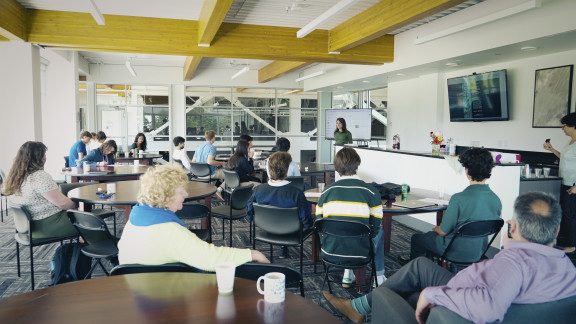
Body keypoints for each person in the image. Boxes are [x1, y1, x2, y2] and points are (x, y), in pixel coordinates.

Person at [323, 192, 576, 324]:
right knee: (419, 267)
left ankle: (358, 307)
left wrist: (431, 295)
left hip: (451, 309)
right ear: (555, 231)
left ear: (513, 227)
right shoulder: (568, 268)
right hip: (464, 285)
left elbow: (490, 306)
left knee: (400, 292)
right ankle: (365, 306)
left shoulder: (513, 263)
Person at [117, 164, 270, 270]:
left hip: (139, 290)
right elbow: (210, 258)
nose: (186, 194)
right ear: (165, 198)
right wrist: (252, 254)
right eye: (181, 191)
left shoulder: (135, 218)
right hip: (163, 297)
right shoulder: (169, 231)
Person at [410, 147, 502, 261]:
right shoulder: (496, 200)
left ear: (467, 171)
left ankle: (420, 271)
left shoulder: (458, 199)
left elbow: (443, 232)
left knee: (418, 239)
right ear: (489, 171)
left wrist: (436, 229)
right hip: (479, 252)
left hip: (453, 250)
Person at [316, 147, 385, 286]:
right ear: (357, 165)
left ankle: (347, 273)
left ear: (337, 168)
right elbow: (375, 227)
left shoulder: (326, 192)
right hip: (360, 253)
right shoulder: (371, 192)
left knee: (345, 228)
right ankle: (379, 277)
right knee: (379, 232)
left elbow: (319, 223)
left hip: (330, 251)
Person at [4, 142, 77, 239]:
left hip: (29, 226)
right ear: (38, 157)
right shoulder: (39, 176)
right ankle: (95, 251)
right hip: (48, 225)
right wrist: (77, 205)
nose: (45, 157)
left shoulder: (17, 177)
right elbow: (64, 204)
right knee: (91, 224)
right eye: (44, 154)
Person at [247, 152, 312, 258]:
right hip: (292, 230)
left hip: (266, 227)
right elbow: (306, 220)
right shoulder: (296, 194)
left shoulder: (258, 190)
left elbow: (249, 212)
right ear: (286, 170)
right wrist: (309, 225)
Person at [543, 112, 576, 253]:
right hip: (564, 182)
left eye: (565, 126)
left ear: (573, 126)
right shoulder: (571, 142)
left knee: (570, 216)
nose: (563, 129)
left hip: (573, 185)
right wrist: (552, 149)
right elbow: (564, 158)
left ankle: (573, 245)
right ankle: (568, 242)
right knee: (565, 214)